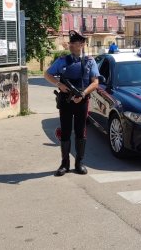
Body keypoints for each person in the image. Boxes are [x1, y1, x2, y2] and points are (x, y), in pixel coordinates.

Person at [44, 30, 100, 176]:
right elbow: (47, 74)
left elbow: (95, 83)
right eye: (70, 43)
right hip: (65, 101)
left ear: (81, 44)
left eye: (73, 43)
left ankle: (79, 163)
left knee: (81, 132)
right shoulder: (62, 60)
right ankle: (64, 164)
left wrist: (83, 93)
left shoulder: (90, 61)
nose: (70, 46)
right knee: (65, 132)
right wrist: (59, 84)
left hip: (82, 101)